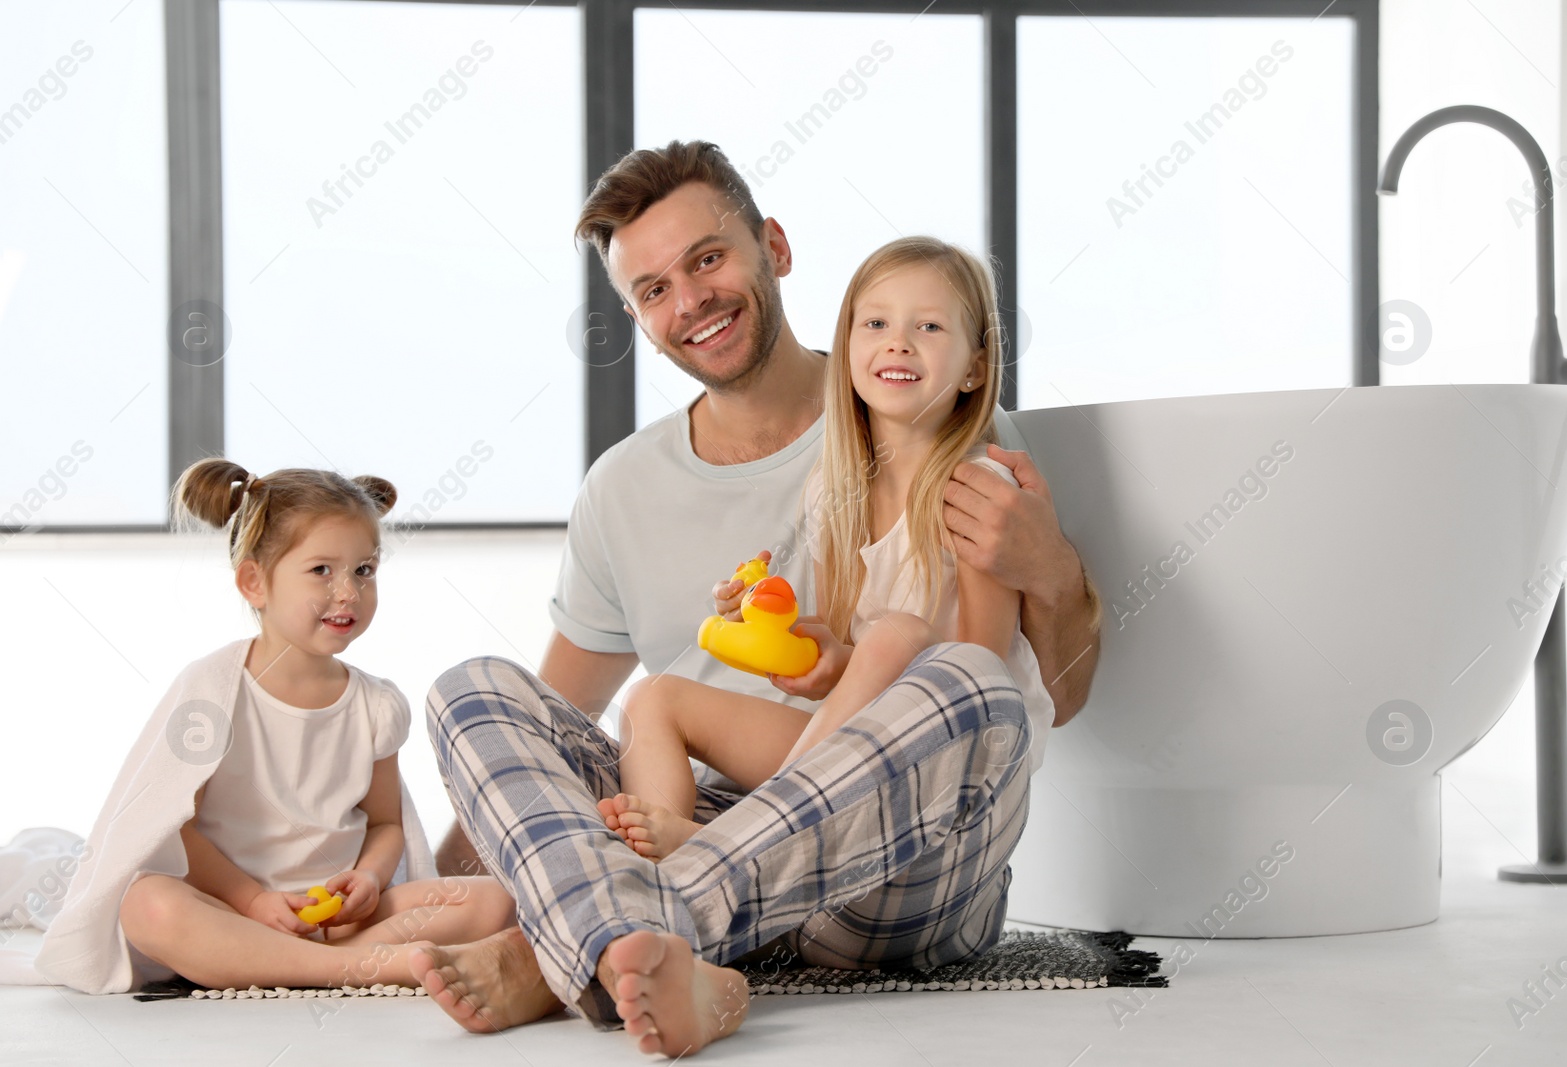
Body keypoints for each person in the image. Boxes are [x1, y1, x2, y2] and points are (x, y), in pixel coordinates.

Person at [410, 141, 1101, 1057]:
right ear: (636, 315)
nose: (690, 300)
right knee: (471, 691)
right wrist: (429, 883)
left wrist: (1051, 567)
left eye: (707, 258)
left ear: (773, 246)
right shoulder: (622, 487)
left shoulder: (941, 427)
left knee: (970, 684)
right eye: (654, 288)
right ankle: (664, 945)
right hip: (695, 816)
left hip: (892, 860)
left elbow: (1048, 694)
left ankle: (571, 949)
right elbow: (553, 716)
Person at [607, 235, 1073, 859]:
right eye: (876, 323)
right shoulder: (834, 490)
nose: (898, 342)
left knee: (897, 635)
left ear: (975, 368)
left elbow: (977, 680)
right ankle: (660, 874)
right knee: (651, 697)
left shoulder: (977, 492)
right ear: (847, 347)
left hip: (955, 774)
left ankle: (737, 847)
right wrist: (779, 627)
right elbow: (839, 663)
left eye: (929, 326)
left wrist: (879, 652)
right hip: (859, 761)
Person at [35, 460, 514, 994]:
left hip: (339, 922)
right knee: (147, 904)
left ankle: (319, 961)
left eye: (364, 570)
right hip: (232, 912)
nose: (348, 592)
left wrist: (370, 877)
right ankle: (362, 968)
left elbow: (385, 824)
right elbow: (175, 826)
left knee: (493, 900)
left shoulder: (376, 705)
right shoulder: (214, 690)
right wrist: (253, 901)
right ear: (254, 582)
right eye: (321, 570)